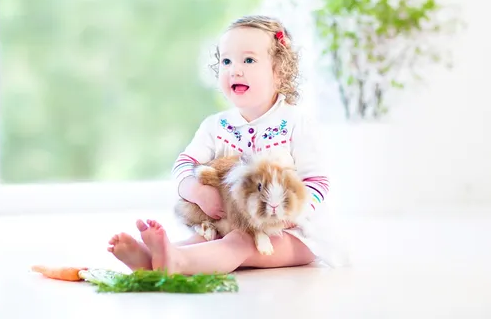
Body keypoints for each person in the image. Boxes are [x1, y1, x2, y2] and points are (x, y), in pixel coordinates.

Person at [107, 15, 336, 275]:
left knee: (239, 244)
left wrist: (289, 215)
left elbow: (317, 181)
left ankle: (175, 262)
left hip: (289, 234)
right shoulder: (215, 126)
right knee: (206, 240)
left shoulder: (294, 122)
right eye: (226, 61)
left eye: (248, 60)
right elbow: (185, 164)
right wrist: (196, 191)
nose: (234, 69)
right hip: (229, 224)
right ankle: (153, 259)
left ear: (279, 71)